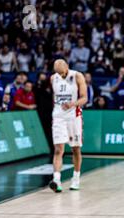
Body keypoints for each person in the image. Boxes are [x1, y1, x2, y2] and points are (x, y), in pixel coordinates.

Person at [48, 59, 87, 192]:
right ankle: (56, 180)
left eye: (63, 72)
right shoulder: (53, 78)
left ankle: (76, 178)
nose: (61, 75)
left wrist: (72, 104)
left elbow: (84, 98)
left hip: (74, 116)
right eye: (58, 73)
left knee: (75, 149)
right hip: (58, 116)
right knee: (58, 149)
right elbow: (55, 97)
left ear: (67, 67)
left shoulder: (77, 76)